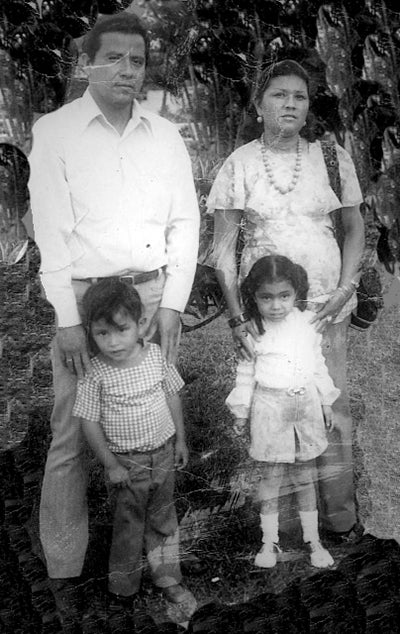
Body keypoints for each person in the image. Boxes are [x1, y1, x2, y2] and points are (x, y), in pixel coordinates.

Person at [27, 10, 199, 608]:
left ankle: (159, 564)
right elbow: (49, 230)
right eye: (116, 58)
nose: (128, 70)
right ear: (87, 63)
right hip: (85, 301)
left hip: (150, 297)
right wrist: (69, 321)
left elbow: (186, 223)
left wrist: (173, 303)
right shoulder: (55, 131)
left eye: (138, 60)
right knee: (73, 428)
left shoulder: (166, 135)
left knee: (153, 415)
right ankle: (65, 568)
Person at [207, 59, 365, 542]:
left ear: (308, 105)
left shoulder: (331, 157)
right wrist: (237, 318)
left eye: (298, 95)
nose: (290, 103)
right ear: (259, 105)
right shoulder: (239, 164)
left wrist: (343, 289)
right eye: (278, 94)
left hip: (323, 310)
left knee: (326, 402)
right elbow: (222, 250)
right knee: (272, 408)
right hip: (267, 313)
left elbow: (355, 228)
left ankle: (339, 516)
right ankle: (288, 526)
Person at [72, 278, 196, 613]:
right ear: (90, 331)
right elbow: (89, 421)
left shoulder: (155, 356)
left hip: (164, 453)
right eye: (102, 333)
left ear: (141, 323)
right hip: (128, 463)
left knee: (163, 517)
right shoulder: (94, 372)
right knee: (129, 523)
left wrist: (180, 439)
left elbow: (172, 395)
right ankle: (123, 586)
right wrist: (110, 464)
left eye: (121, 330)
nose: (112, 342)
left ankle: (168, 579)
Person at [226, 255, 340, 568]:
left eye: (284, 296)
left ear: (296, 293)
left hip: (305, 407)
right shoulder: (252, 330)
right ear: (254, 297)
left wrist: (326, 400)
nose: (276, 306)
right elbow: (246, 374)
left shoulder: (307, 322)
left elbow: (317, 363)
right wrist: (241, 412)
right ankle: (268, 541)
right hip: (269, 408)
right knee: (271, 478)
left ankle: (313, 540)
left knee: (305, 476)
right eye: (266, 297)